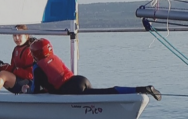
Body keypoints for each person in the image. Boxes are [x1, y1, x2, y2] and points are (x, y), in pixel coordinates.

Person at [29, 39, 162, 99]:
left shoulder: (37, 66)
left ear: (35, 54)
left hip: (71, 88)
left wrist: (27, 92)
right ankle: (140, 89)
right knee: (106, 91)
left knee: (105, 93)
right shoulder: (54, 57)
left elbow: (35, 90)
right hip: (80, 80)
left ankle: (142, 89)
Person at [0, 25, 36, 93]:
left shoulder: (30, 51)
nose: (17, 38)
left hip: (31, 85)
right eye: (14, 35)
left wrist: (14, 70)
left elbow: (31, 74)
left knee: (3, 75)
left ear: (26, 35)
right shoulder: (16, 49)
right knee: (0, 75)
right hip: (21, 81)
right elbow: (13, 68)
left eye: (19, 35)